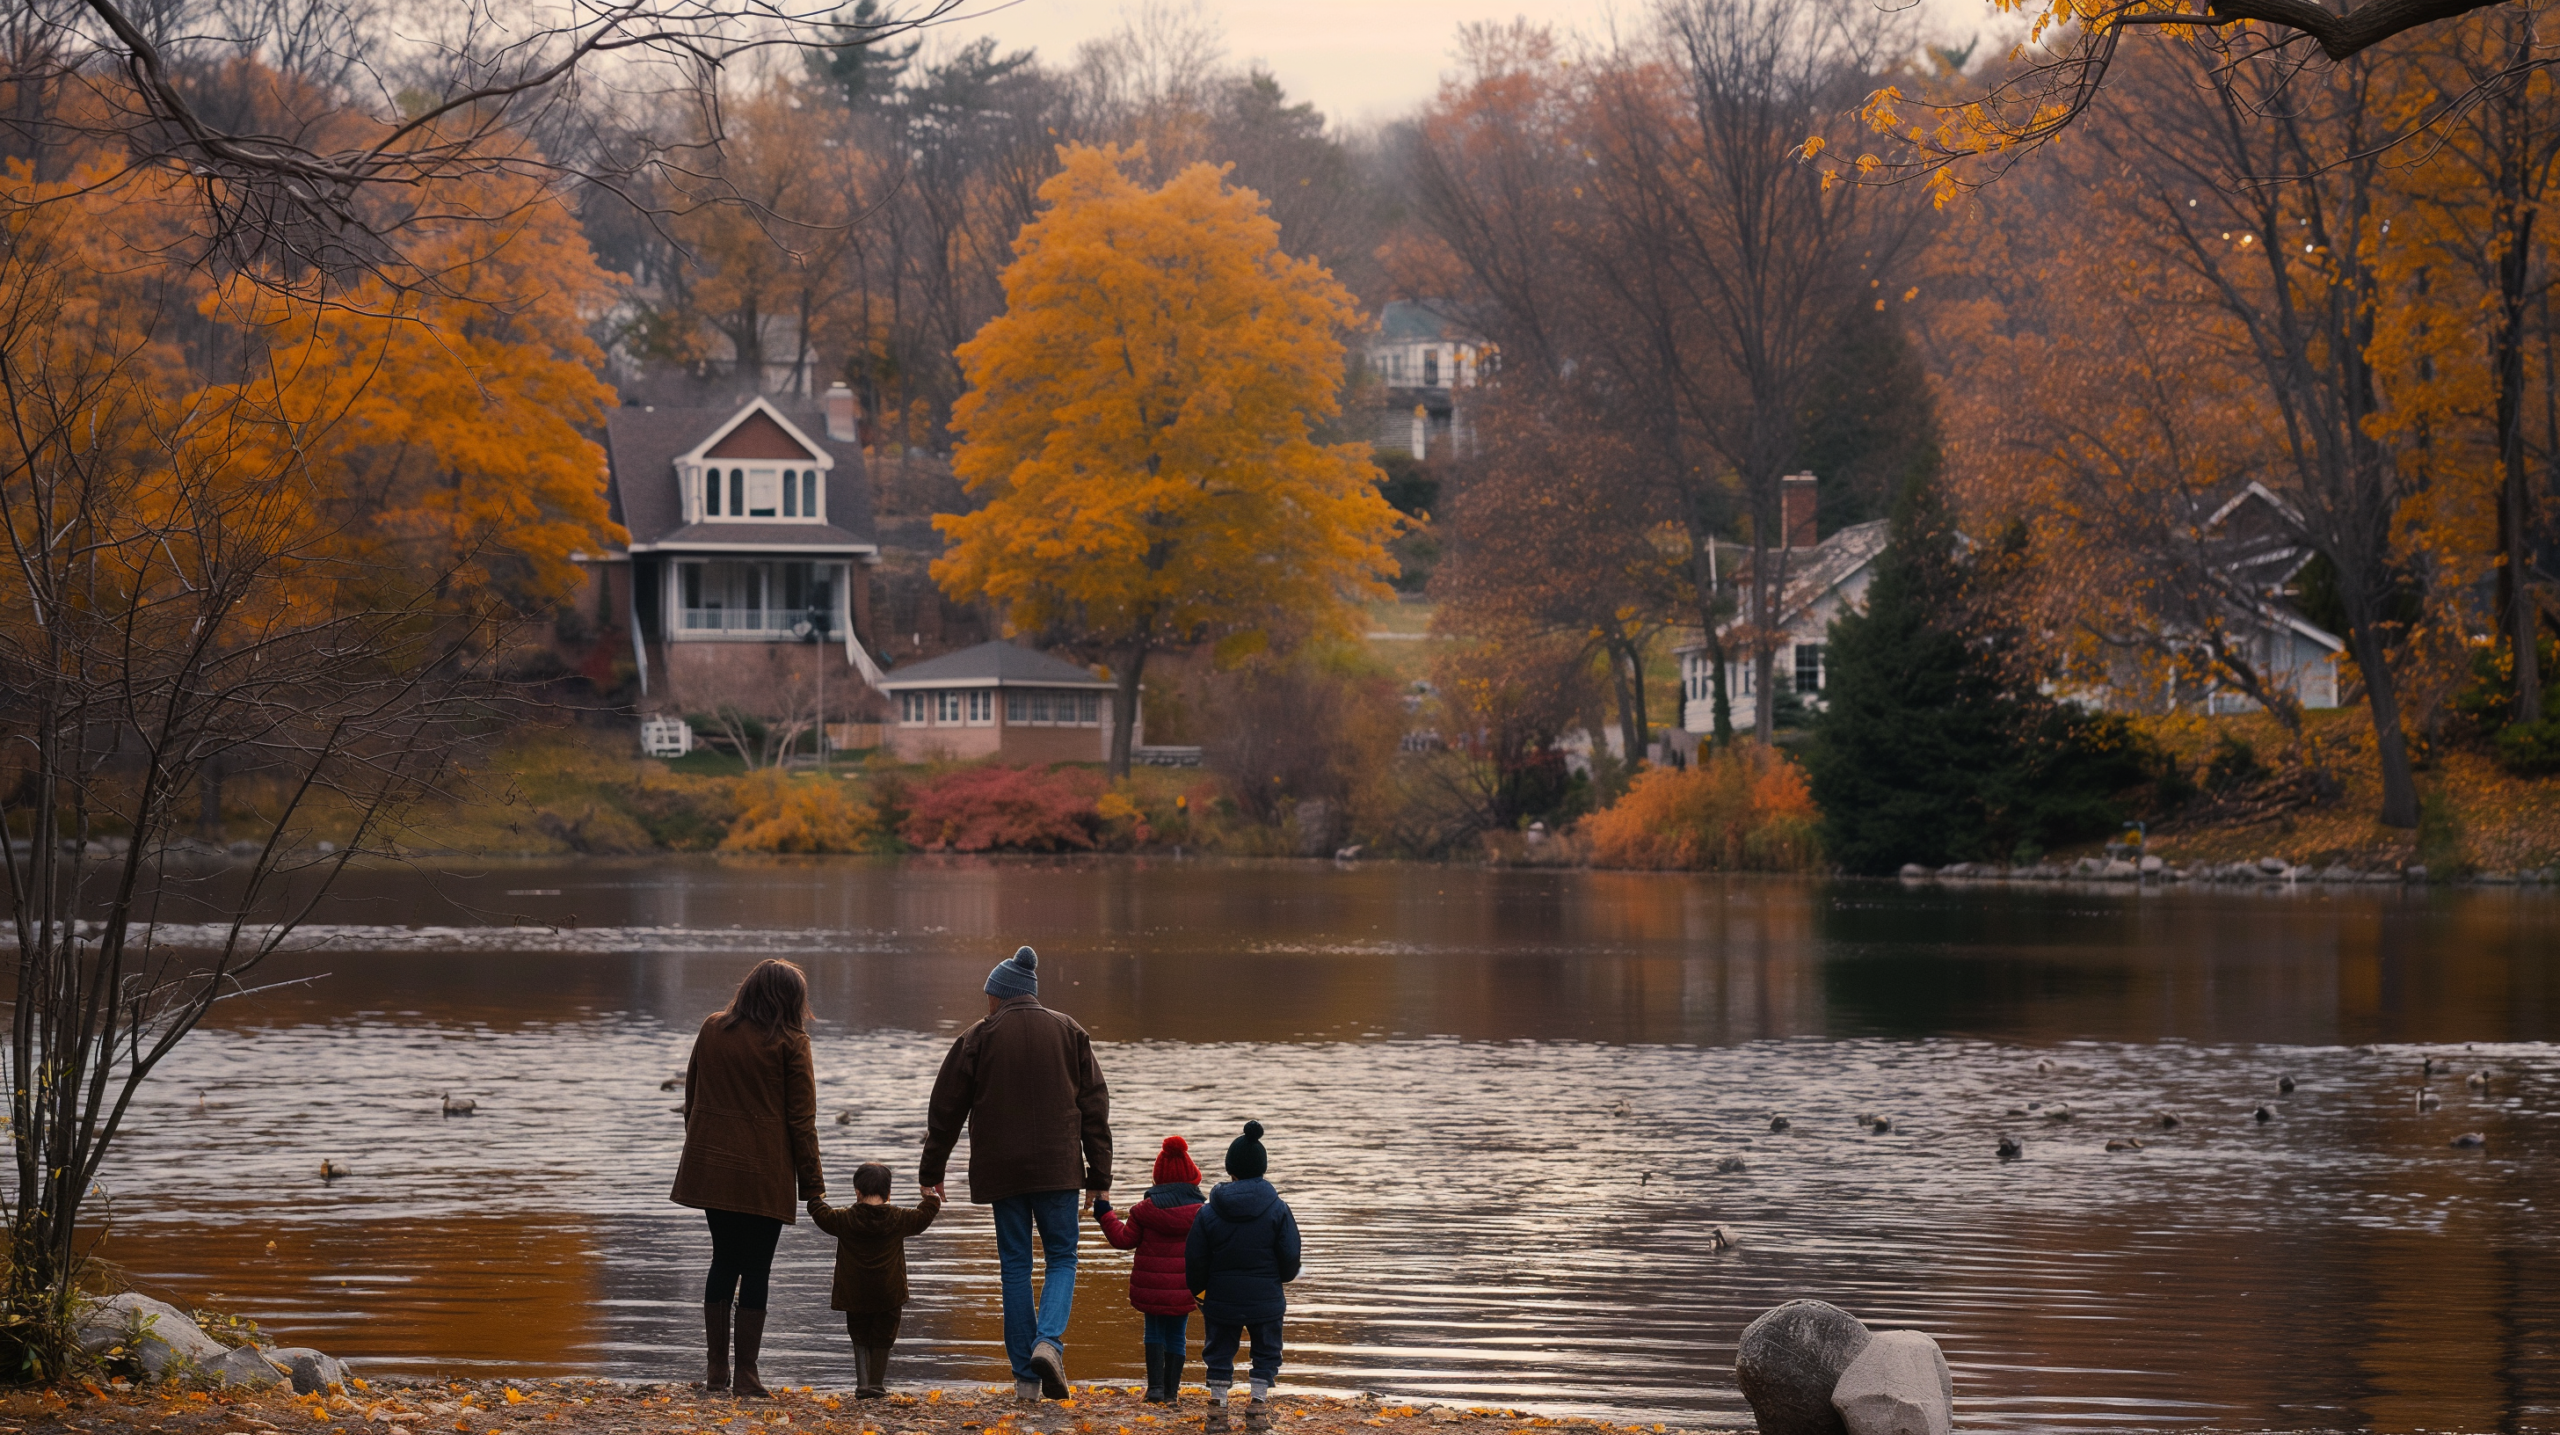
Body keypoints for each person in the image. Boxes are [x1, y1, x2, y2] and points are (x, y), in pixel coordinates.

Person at [919, 945, 1113, 1402]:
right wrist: (1099, 1176)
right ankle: (1048, 1342)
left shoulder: (977, 1037)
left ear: (1001, 995)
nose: (985, 1001)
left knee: (1015, 1266)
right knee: (1062, 1258)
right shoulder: (1070, 1032)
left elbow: (945, 1109)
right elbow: (1095, 1110)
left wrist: (932, 1169)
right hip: (1060, 1169)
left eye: (989, 994)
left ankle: (1026, 1380)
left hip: (1002, 1172)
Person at [670, 958, 827, 1398]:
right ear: (791, 1000)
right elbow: (802, 1121)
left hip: (713, 1168)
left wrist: (702, 1148)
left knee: (723, 1259)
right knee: (756, 1267)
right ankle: (748, 1374)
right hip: (764, 1173)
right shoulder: (792, 1043)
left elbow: (692, 1098)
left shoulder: (712, 1028)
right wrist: (813, 1187)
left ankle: (716, 1371)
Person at [1184, 1122, 1300, 1435]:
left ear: (1230, 1169)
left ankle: (1218, 1409)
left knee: (1219, 1351)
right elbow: (1290, 1259)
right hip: (1266, 1299)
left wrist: (1200, 1292)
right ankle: (1258, 1406)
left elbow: (1195, 1260)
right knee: (1267, 1351)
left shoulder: (1208, 1212)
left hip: (1221, 1299)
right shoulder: (1278, 1209)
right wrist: (1279, 1281)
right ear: (1262, 1169)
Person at [809, 1163, 944, 1399]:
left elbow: (820, 1213)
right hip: (889, 1293)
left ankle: (863, 1384)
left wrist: (815, 1194)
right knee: (884, 1336)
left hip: (854, 1293)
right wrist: (929, 1194)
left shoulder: (843, 1219)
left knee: (859, 1335)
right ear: (888, 1193)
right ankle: (876, 1384)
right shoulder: (900, 1218)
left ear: (857, 1192)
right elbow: (925, 1215)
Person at [1093, 1136, 1207, 1405]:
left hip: (1151, 1288)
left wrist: (1104, 1214)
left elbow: (1122, 1240)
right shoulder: (1202, 1213)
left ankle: (1155, 1389)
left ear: (1157, 1178)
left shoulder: (1144, 1210)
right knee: (1177, 1336)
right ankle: (1171, 1394)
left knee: (1154, 1332)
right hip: (1184, 1288)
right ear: (1193, 1177)